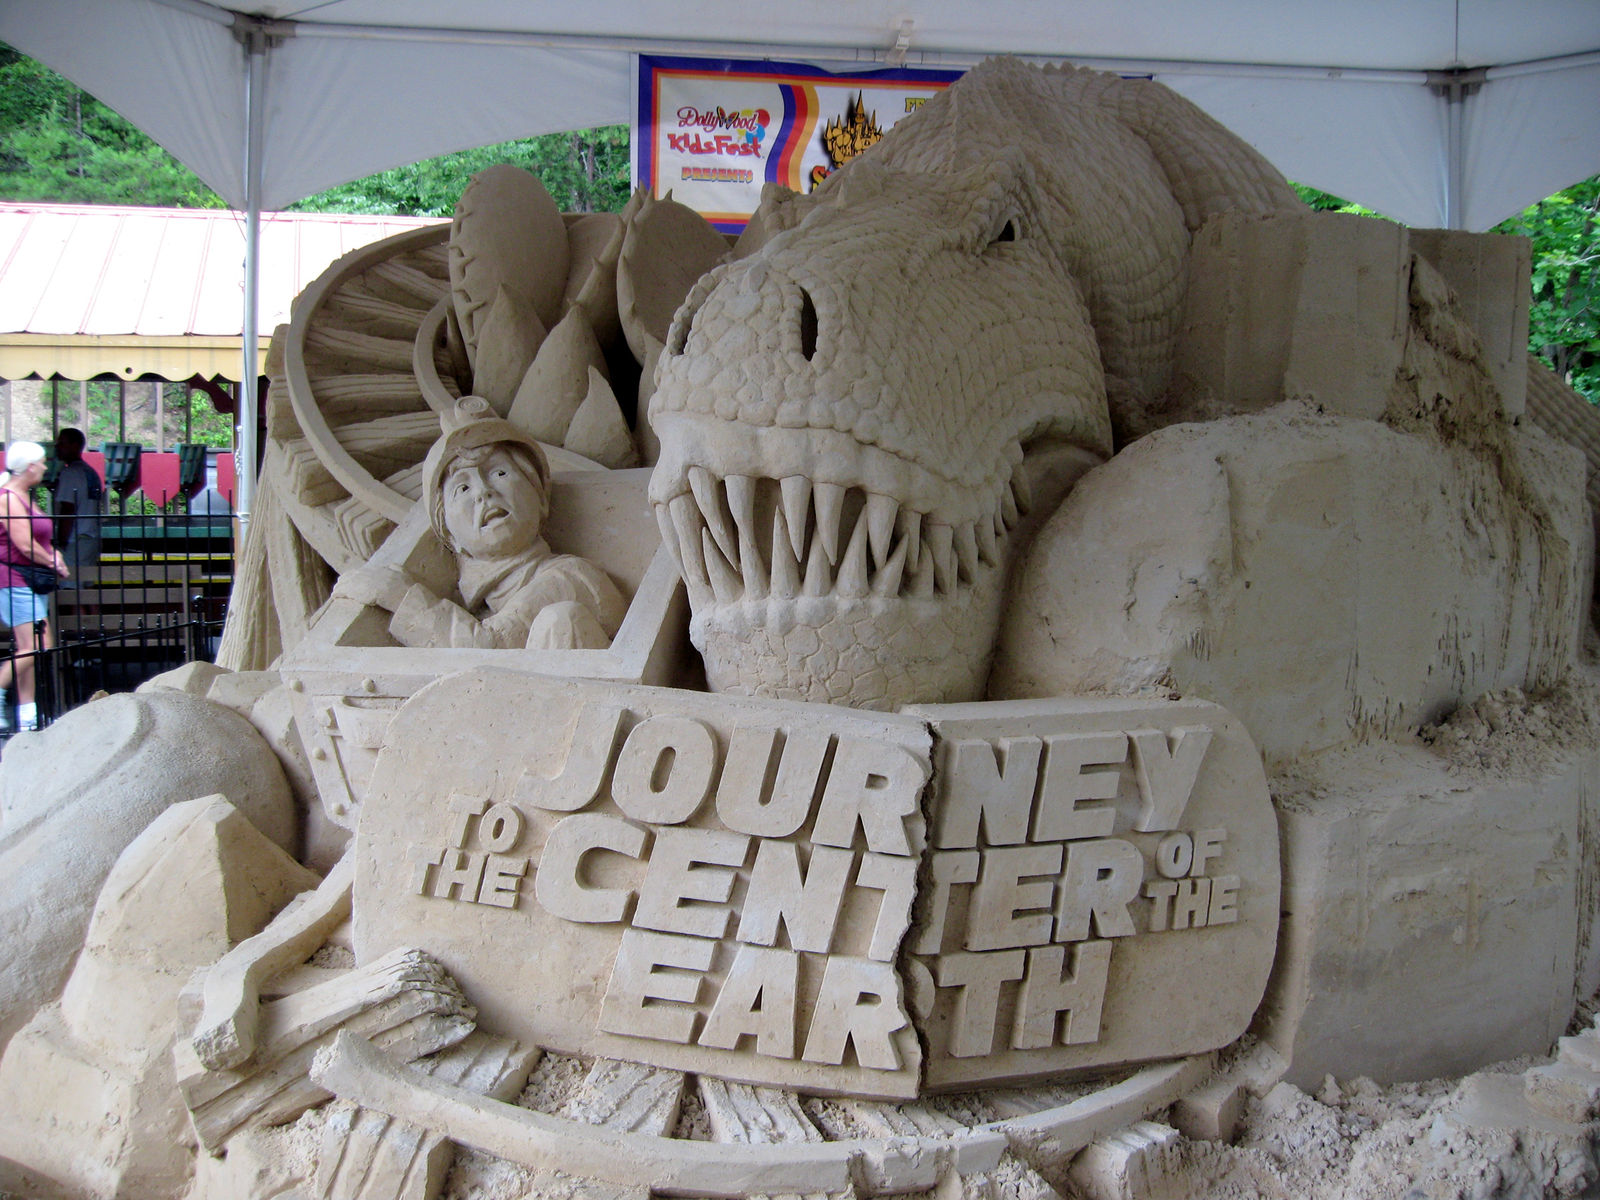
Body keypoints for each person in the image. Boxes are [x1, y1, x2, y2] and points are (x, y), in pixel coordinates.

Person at [335, 396, 627, 650]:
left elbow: (491, 644)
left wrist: (402, 598)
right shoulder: (476, 600)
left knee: (560, 621)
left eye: (499, 473)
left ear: (540, 498)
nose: (484, 492)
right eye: (462, 488)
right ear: (450, 536)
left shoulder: (571, 576)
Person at [0, 442, 69, 732]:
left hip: (27, 578)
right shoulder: (8, 498)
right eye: (41, 462)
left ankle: (28, 715)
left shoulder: (22, 496)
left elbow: (39, 540)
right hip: (15, 578)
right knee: (38, 645)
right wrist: (54, 563)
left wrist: (53, 555)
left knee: (27, 648)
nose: (44, 466)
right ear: (29, 467)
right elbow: (24, 544)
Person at [49, 427, 104, 597]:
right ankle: (94, 615)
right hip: (91, 536)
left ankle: (78, 616)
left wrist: (61, 542)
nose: (58, 447)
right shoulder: (90, 472)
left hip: (75, 539)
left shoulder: (70, 473)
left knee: (72, 591)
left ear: (75, 445)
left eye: (62, 443)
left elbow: (68, 510)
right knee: (87, 588)